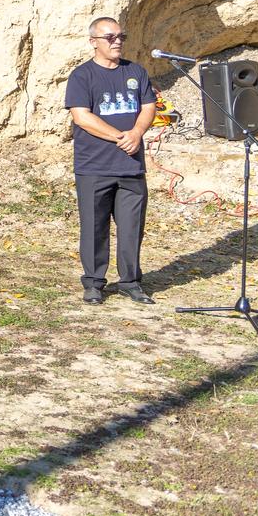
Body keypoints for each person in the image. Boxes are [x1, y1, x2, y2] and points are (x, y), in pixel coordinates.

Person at [65, 16, 158, 305]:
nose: (117, 41)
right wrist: (121, 137)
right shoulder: (82, 76)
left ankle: (130, 281)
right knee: (94, 227)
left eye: (120, 36)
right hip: (94, 167)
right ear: (94, 42)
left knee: (132, 227)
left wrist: (138, 132)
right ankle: (94, 283)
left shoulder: (136, 72)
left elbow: (149, 106)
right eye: (110, 37)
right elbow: (82, 117)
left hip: (131, 167)